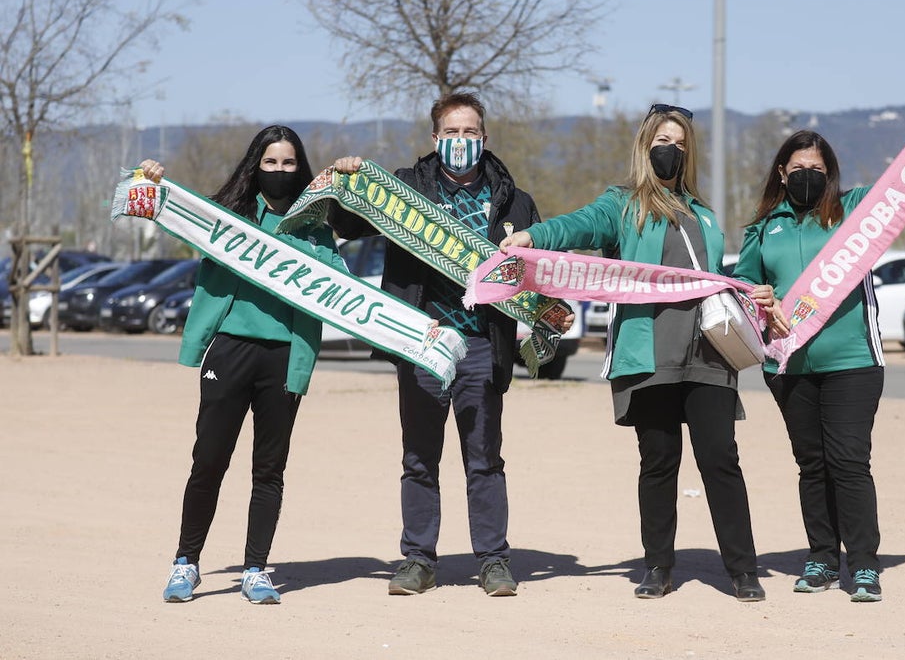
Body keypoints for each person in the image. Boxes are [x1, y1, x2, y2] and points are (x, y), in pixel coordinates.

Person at [500, 104, 765, 602]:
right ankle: (658, 567)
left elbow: (717, 278)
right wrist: (534, 236)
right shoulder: (622, 205)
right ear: (645, 147)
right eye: (663, 141)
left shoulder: (704, 214)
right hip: (649, 355)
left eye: (681, 145)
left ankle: (743, 569)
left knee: (720, 460)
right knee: (659, 463)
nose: (672, 151)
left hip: (710, 355)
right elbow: (579, 225)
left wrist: (751, 292)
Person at [332, 91, 541, 597]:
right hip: (422, 344)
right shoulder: (404, 188)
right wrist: (346, 180)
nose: (460, 140)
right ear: (435, 138)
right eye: (451, 132)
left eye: (470, 132)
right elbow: (347, 224)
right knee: (420, 458)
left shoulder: (515, 201)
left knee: (484, 458)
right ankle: (418, 560)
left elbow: (537, 271)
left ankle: (493, 561)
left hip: (482, 345)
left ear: (484, 138)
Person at [143, 125, 351, 605]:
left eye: (288, 163)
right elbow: (173, 212)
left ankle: (256, 570)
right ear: (255, 166)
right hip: (230, 352)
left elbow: (342, 290)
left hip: (285, 358)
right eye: (270, 162)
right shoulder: (228, 217)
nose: (279, 171)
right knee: (208, 461)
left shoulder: (316, 228)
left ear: (300, 168)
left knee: (269, 470)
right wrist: (151, 182)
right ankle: (186, 562)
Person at [733, 129, 884, 603]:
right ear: (782, 173)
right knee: (812, 464)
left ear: (830, 173)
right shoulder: (763, 228)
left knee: (848, 461)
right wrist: (757, 295)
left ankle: (864, 564)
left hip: (852, 361)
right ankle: (821, 557)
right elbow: (743, 285)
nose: (806, 176)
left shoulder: (854, 211)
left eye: (816, 170)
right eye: (797, 169)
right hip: (789, 365)